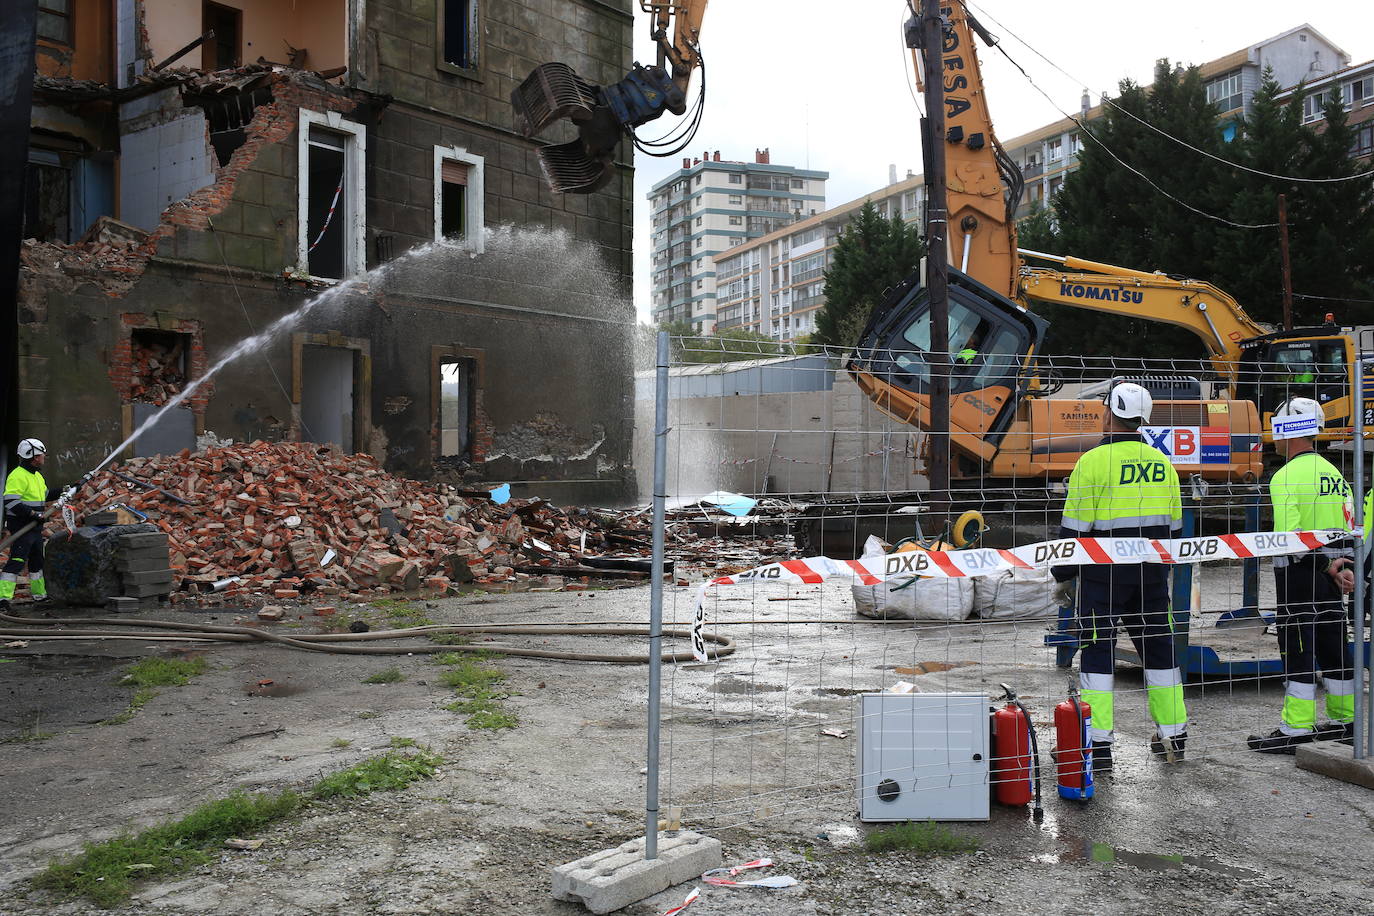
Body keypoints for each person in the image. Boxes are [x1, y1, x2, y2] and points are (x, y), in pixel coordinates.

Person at [1051, 382, 1188, 771]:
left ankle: (1098, 746)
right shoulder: (1163, 463)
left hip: (1102, 577)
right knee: (1160, 654)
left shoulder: (1091, 463)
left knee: (1097, 654)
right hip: (1151, 576)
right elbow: (1176, 530)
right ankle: (1174, 736)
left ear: (1109, 413)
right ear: (1142, 419)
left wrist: (1063, 574)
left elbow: (1074, 531)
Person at [1248, 398, 1357, 754]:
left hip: (1299, 576)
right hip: (1335, 575)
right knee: (1334, 646)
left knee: (1297, 648)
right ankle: (1345, 722)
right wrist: (1341, 569)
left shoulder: (1285, 477)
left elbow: (1291, 541)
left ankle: (1295, 729)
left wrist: (1324, 566)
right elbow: (1348, 528)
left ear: (1286, 428)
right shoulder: (1335, 474)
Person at [2, 438, 51, 610]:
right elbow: (10, 501)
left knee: (37, 561)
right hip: (22, 527)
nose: (44, 456)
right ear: (34, 456)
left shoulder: (36, 475)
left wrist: (68, 489)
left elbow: (45, 495)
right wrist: (32, 515)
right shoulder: (17, 475)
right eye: (42, 453)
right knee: (16, 561)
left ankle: (39, 596)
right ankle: (3, 599)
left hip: (34, 528)